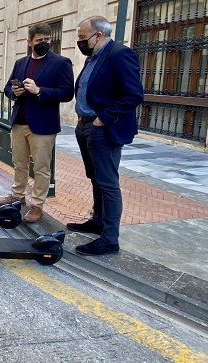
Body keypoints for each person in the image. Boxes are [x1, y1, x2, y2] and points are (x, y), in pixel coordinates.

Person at [69, 16, 144, 256]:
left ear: (97, 35)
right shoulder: (93, 57)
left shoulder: (120, 54)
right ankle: (98, 220)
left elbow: (133, 95)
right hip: (85, 125)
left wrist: (104, 118)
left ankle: (110, 239)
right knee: (95, 177)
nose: (80, 42)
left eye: (82, 37)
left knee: (107, 183)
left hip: (102, 127)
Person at [0, 23, 74, 223]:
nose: (44, 43)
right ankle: (17, 196)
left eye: (47, 40)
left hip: (43, 125)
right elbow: (7, 88)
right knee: (19, 164)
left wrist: (39, 91)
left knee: (41, 168)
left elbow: (67, 93)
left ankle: (37, 204)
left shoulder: (61, 63)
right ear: (30, 42)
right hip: (19, 122)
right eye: (40, 40)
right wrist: (15, 92)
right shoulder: (21, 63)